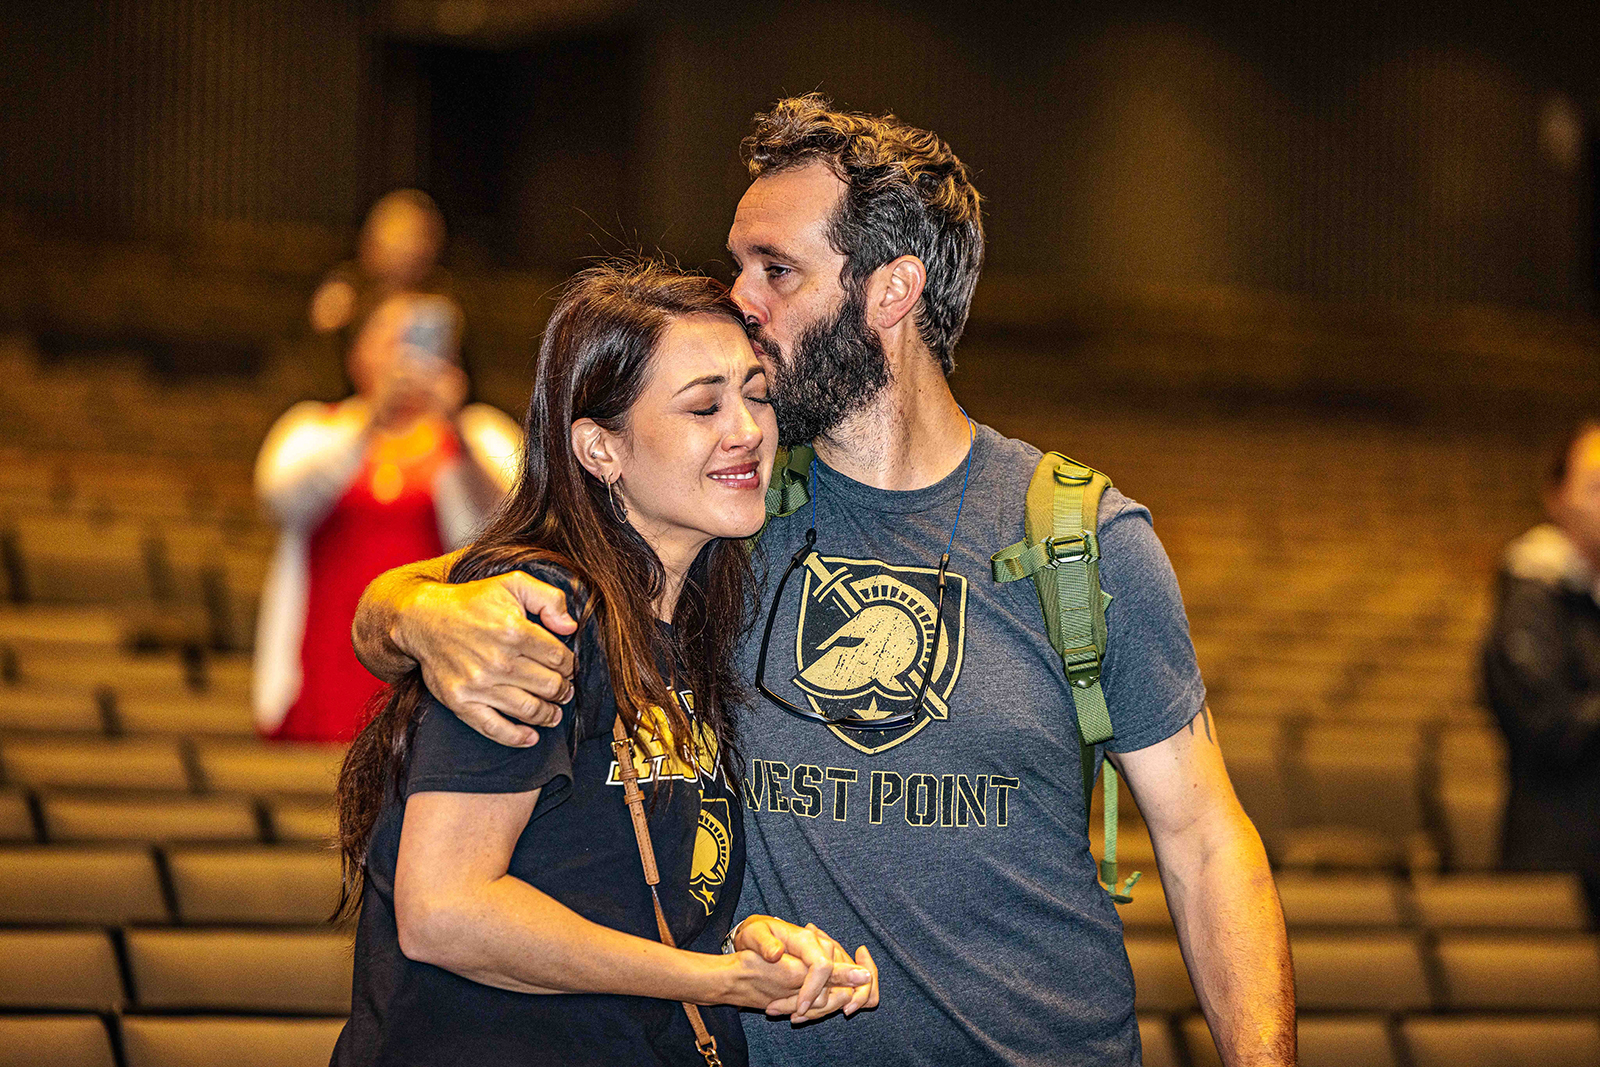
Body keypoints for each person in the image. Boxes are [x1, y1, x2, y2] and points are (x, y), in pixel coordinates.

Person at [350, 96, 1295, 1066]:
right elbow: (513, 568)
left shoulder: (1079, 537)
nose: (739, 297)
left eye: (776, 270)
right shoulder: (728, 513)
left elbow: (1206, 840)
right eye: (737, 264)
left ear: (890, 291)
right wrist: (416, 612)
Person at [329, 262, 875, 1067]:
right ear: (599, 447)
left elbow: (605, 872)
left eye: (755, 394)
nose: (749, 430)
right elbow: (445, 910)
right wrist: (713, 978)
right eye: (703, 406)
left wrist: (742, 936)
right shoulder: (537, 614)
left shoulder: (689, 623)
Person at [253, 291, 520, 741]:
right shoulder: (314, 427)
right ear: (358, 355)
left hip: (436, 665)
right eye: (392, 340)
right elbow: (278, 496)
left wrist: (455, 429)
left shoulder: (479, 433)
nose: (407, 359)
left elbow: (514, 521)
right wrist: (373, 415)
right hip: (327, 658)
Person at [1483, 420, 1600, 920]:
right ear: (1556, 498)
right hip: (1562, 870)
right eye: (1597, 486)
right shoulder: (1532, 594)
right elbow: (1550, 727)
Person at [309, 189, 454, 340]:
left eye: (425, 236)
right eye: (403, 236)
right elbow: (323, 328)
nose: (416, 248)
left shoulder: (443, 298)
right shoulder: (349, 290)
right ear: (370, 244)